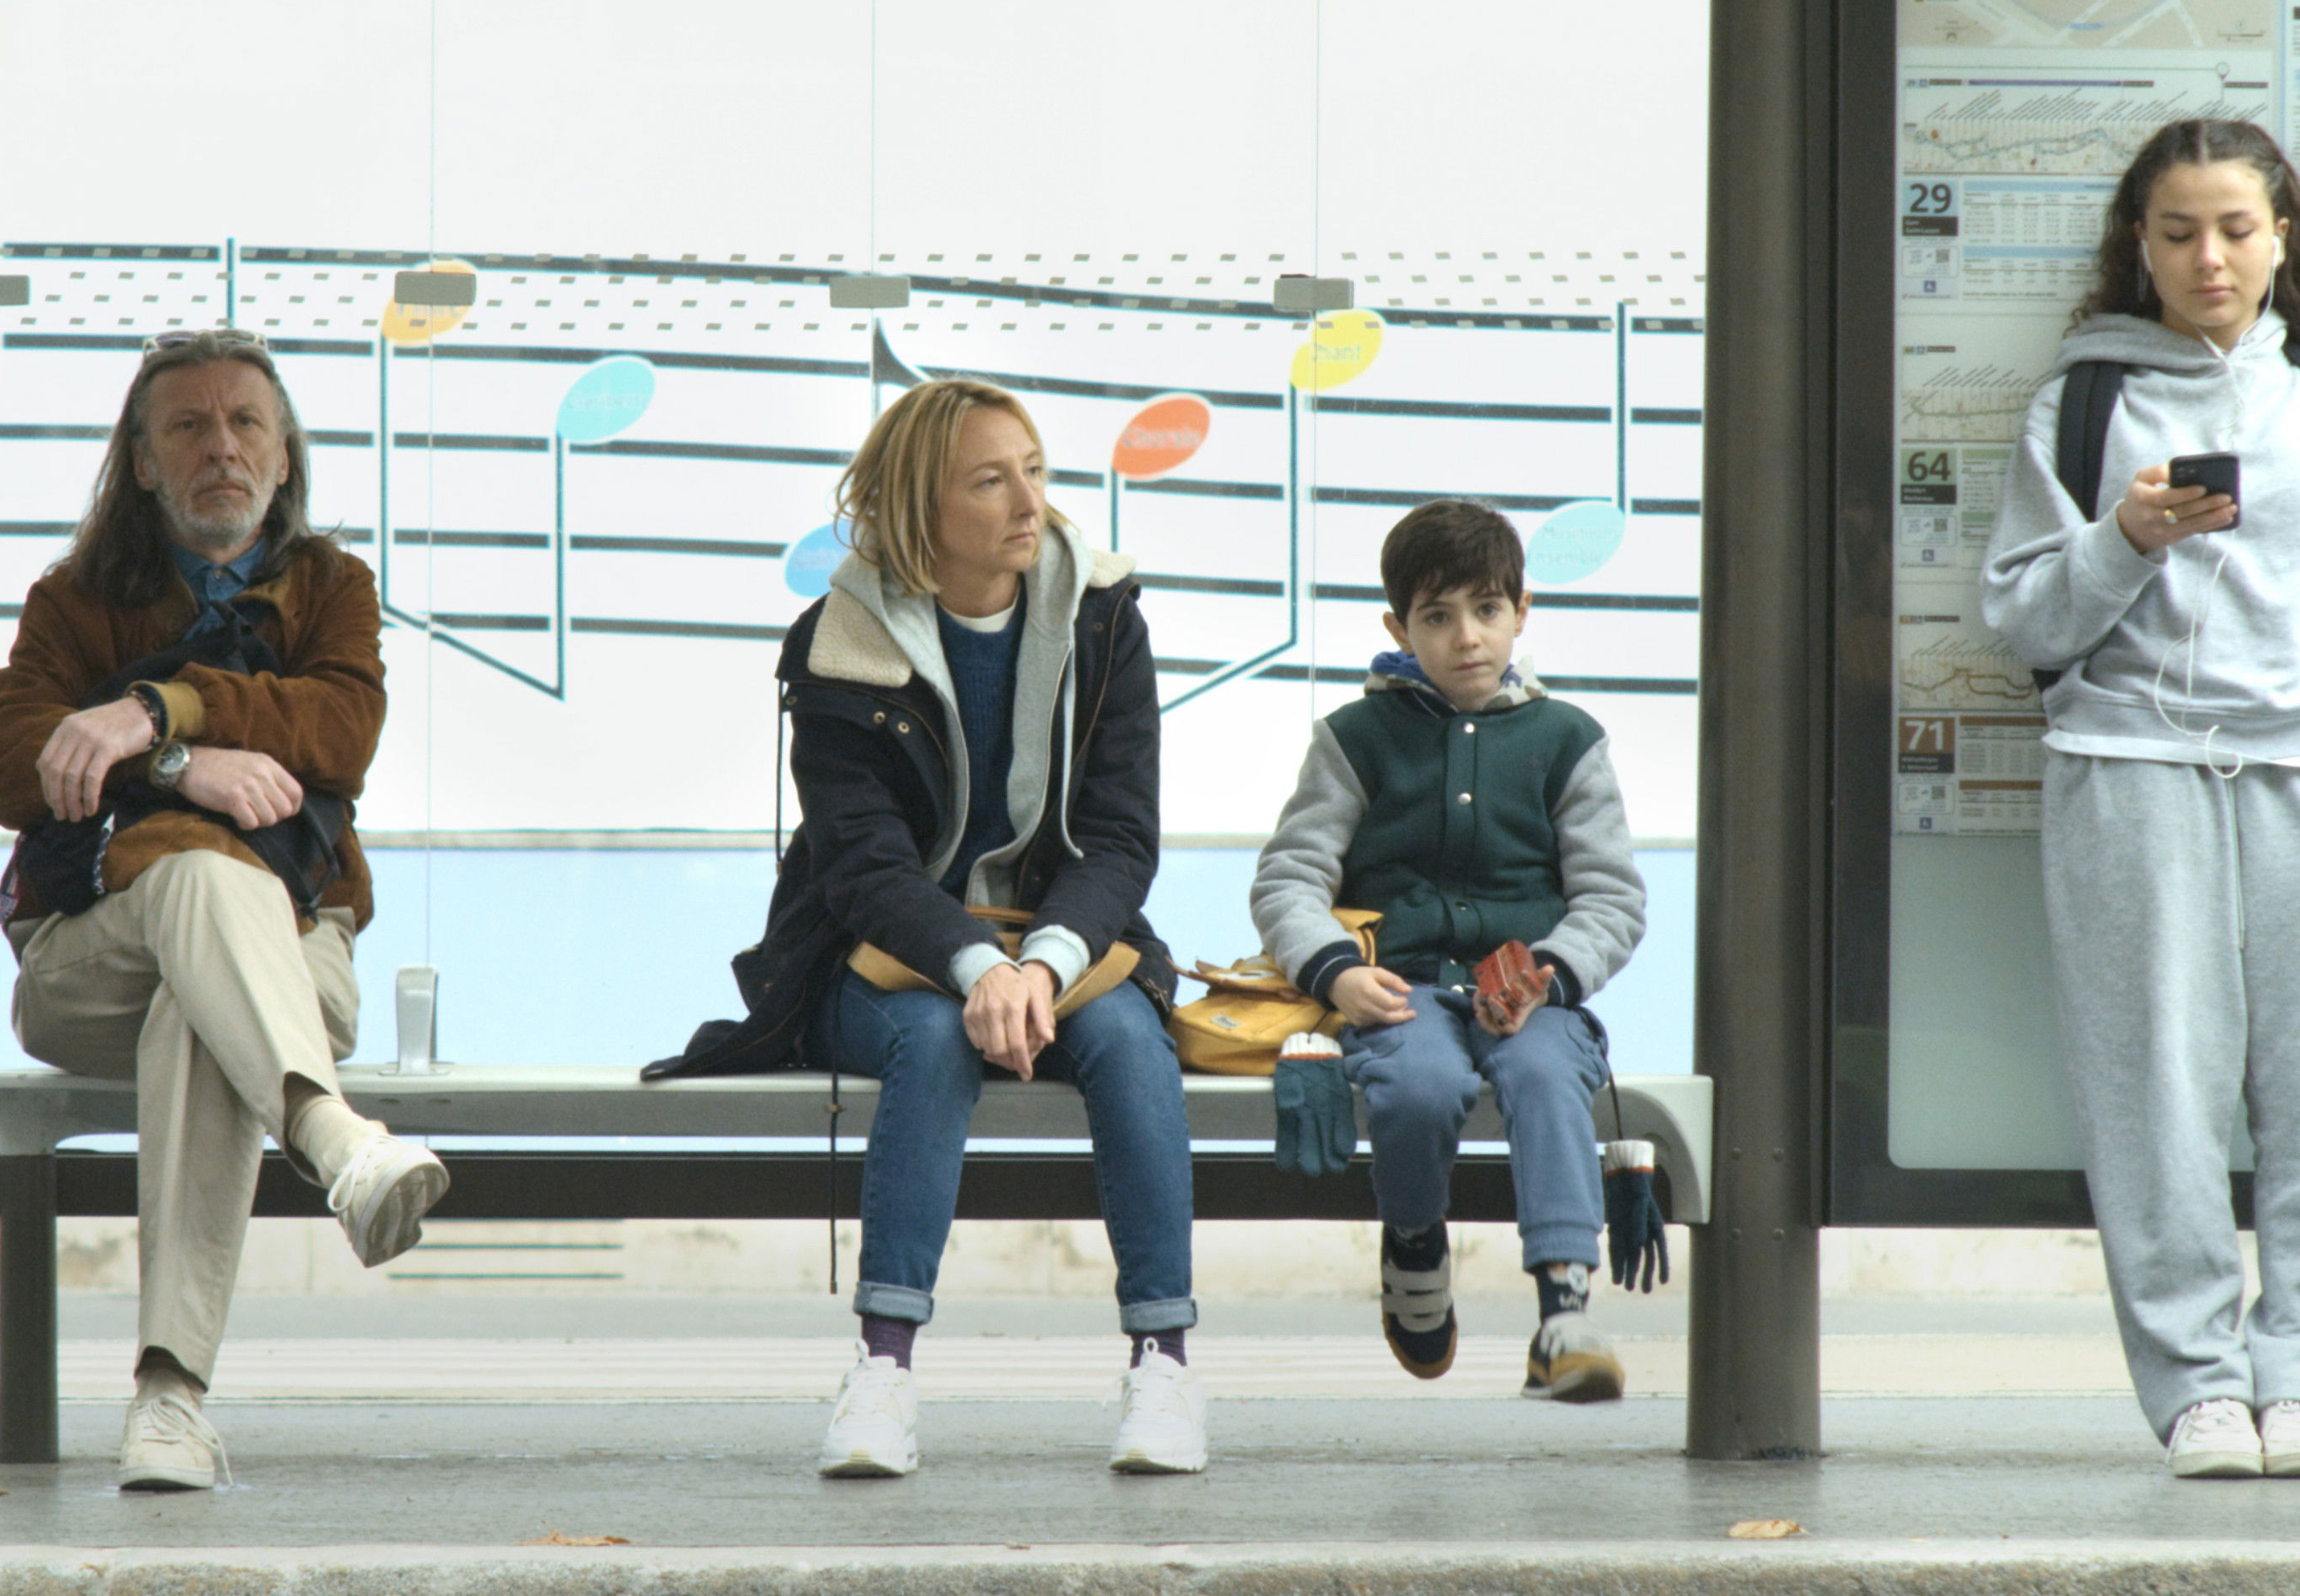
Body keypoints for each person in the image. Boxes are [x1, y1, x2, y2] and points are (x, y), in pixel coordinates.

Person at [1981, 119, 2300, 1482]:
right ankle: (2198, 1389)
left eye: (2237, 230)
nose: (2210, 258)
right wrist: (2124, 540)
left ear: (2282, 238)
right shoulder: (2084, 402)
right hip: (2135, 782)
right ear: (2138, 243)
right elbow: (2022, 617)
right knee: (2152, 1100)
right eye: (2180, 231)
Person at [647, 378, 1199, 1478]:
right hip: (878, 955)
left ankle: (1165, 1364)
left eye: (1034, 472)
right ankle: (883, 1371)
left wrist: (1038, 965)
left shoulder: (1103, 616)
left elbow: (1119, 837)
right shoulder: (839, 641)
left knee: (1133, 1041)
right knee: (937, 1037)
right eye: (990, 481)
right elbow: (862, 864)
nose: (1029, 502)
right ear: (920, 507)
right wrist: (975, 967)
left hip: (1060, 944)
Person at [0, 329, 445, 1493]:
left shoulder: (332, 588)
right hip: (89, 966)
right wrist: (185, 769)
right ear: (141, 461)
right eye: (187, 426)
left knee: (199, 1010)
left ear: (284, 458)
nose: (219, 447)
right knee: (190, 871)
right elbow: (4, 754)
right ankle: (332, 1138)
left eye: (244, 424)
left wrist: (155, 711)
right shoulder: (75, 600)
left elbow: (340, 729)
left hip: (293, 949)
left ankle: (169, 1402)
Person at [1249, 499, 1646, 1401]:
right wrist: (1337, 973)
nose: (1467, 637)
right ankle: (1415, 1242)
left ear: (1522, 612)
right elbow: (1287, 879)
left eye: (1487, 610)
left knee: (1546, 1075)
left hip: (1533, 997)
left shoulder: (1568, 740)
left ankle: (1564, 1310)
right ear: (1399, 628)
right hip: (1404, 988)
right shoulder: (1353, 739)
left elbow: (1612, 896)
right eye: (1437, 616)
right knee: (1420, 1084)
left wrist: (1550, 976)